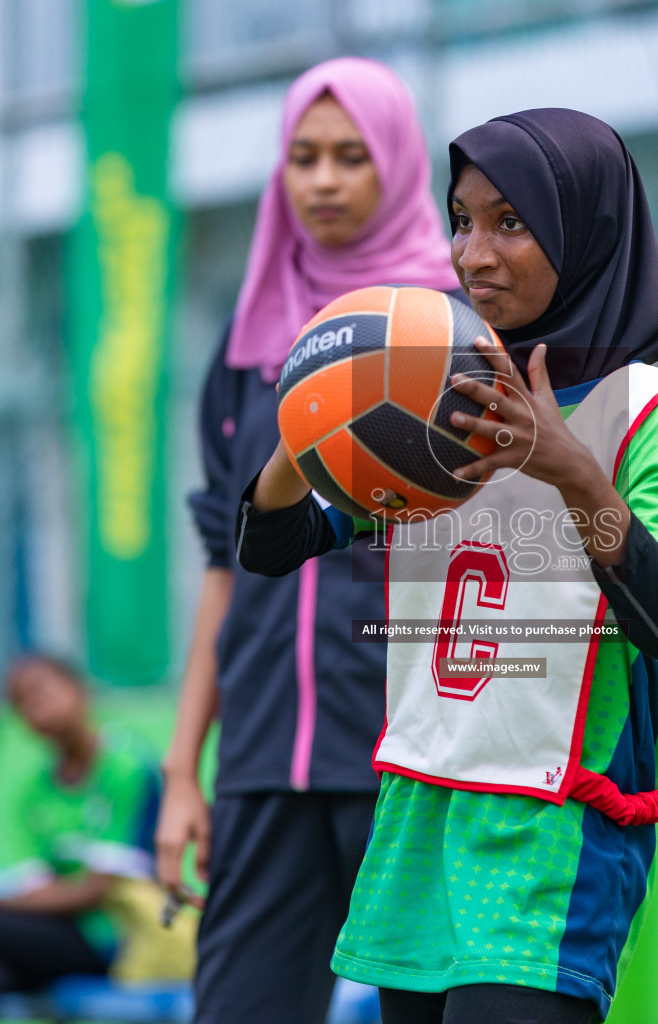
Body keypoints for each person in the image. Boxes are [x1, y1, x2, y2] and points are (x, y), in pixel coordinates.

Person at [238, 108, 658, 1023]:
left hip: (554, 819)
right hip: (422, 806)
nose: (474, 253)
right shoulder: (431, 388)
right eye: (461, 220)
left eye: (511, 221)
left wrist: (572, 467)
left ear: (587, 230)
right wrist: (307, 420)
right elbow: (268, 547)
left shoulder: (655, 417)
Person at [153, 57, 462, 1024]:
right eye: (302, 157)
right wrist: (182, 775)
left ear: (399, 167)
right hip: (260, 767)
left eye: (350, 157)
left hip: (410, 755)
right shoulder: (247, 350)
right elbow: (223, 567)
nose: (323, 180)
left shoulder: (452, 334)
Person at [0, 653, 172, 1024]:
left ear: (80, 690)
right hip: (61, 933)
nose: (35, 708)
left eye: (41, 691)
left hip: (120, 939)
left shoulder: (126, 766)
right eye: (21, 702)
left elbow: (97, 890)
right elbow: (39, 883)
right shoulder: (35, 790)